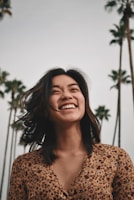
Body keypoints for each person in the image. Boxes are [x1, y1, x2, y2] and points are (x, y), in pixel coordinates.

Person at [7, 67, 134, 200]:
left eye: (74, 89)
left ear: (84, 100)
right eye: (55, 91)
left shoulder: (116, 158)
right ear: (44, 105)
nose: (67, 96)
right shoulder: (24, 166)